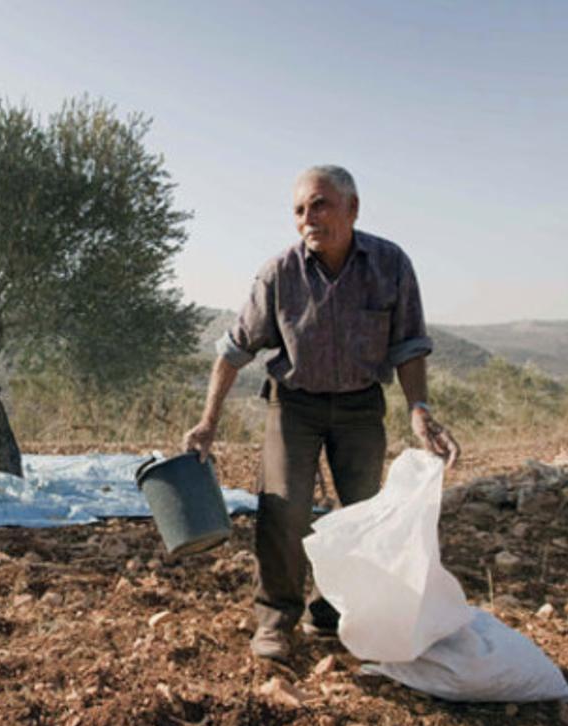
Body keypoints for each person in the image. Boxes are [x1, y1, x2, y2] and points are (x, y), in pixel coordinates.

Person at [183, 165, 460, 663]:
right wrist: (208, 422)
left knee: (361, 512)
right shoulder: (279, 274)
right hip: (294, 405)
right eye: (299, 210)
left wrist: (419, 410)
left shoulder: (391, 265)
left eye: (320, 205)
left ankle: (331, 613)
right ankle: (274, 618)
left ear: (353, 209)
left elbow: (409, 346)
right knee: (284, 507)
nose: (308, 219)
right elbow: (232, 351)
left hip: (360, 407)